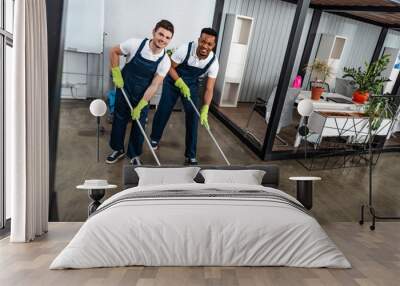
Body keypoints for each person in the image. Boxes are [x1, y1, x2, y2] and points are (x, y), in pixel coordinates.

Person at [105, 20, 174, 165]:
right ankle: (118, 149)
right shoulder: (135, 44)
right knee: (119, 119)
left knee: (139, 123)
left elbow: (155, 85)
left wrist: (142, 104)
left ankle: (134, 154)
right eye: (161, 34)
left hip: (144, 94)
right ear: (153, 32)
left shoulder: (165, 61)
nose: (163, 39)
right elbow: (114, 51)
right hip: (125, 88)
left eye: (167, 37)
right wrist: (116, 73)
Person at [150, 28, 219, 165]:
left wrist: (205, 108)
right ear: (199, 40)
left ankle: (191, 155)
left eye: (209, 44)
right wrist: (179, 82)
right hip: (173, 80)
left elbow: (209, 88)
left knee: (194, 116)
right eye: (203, 42)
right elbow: (170, 67)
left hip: (192, 85)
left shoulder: (213, 62)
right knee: (164, 109)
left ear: (213, 46)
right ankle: (154, 138)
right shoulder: (185, 49)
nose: (205, 46)